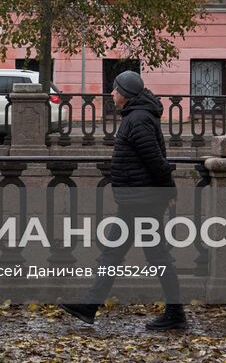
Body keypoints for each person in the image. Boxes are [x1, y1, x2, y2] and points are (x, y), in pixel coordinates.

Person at [59, 70, 186, 330]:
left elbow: (156, 160)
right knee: (116, 253)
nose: (112, 93)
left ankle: (175, 314)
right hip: (136, 198)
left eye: (115, 89)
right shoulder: (136, 116)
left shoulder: (137, 119)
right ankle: (90, 305)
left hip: (143, 199)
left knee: (153, 257)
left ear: (125, 94)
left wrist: (169, 190)